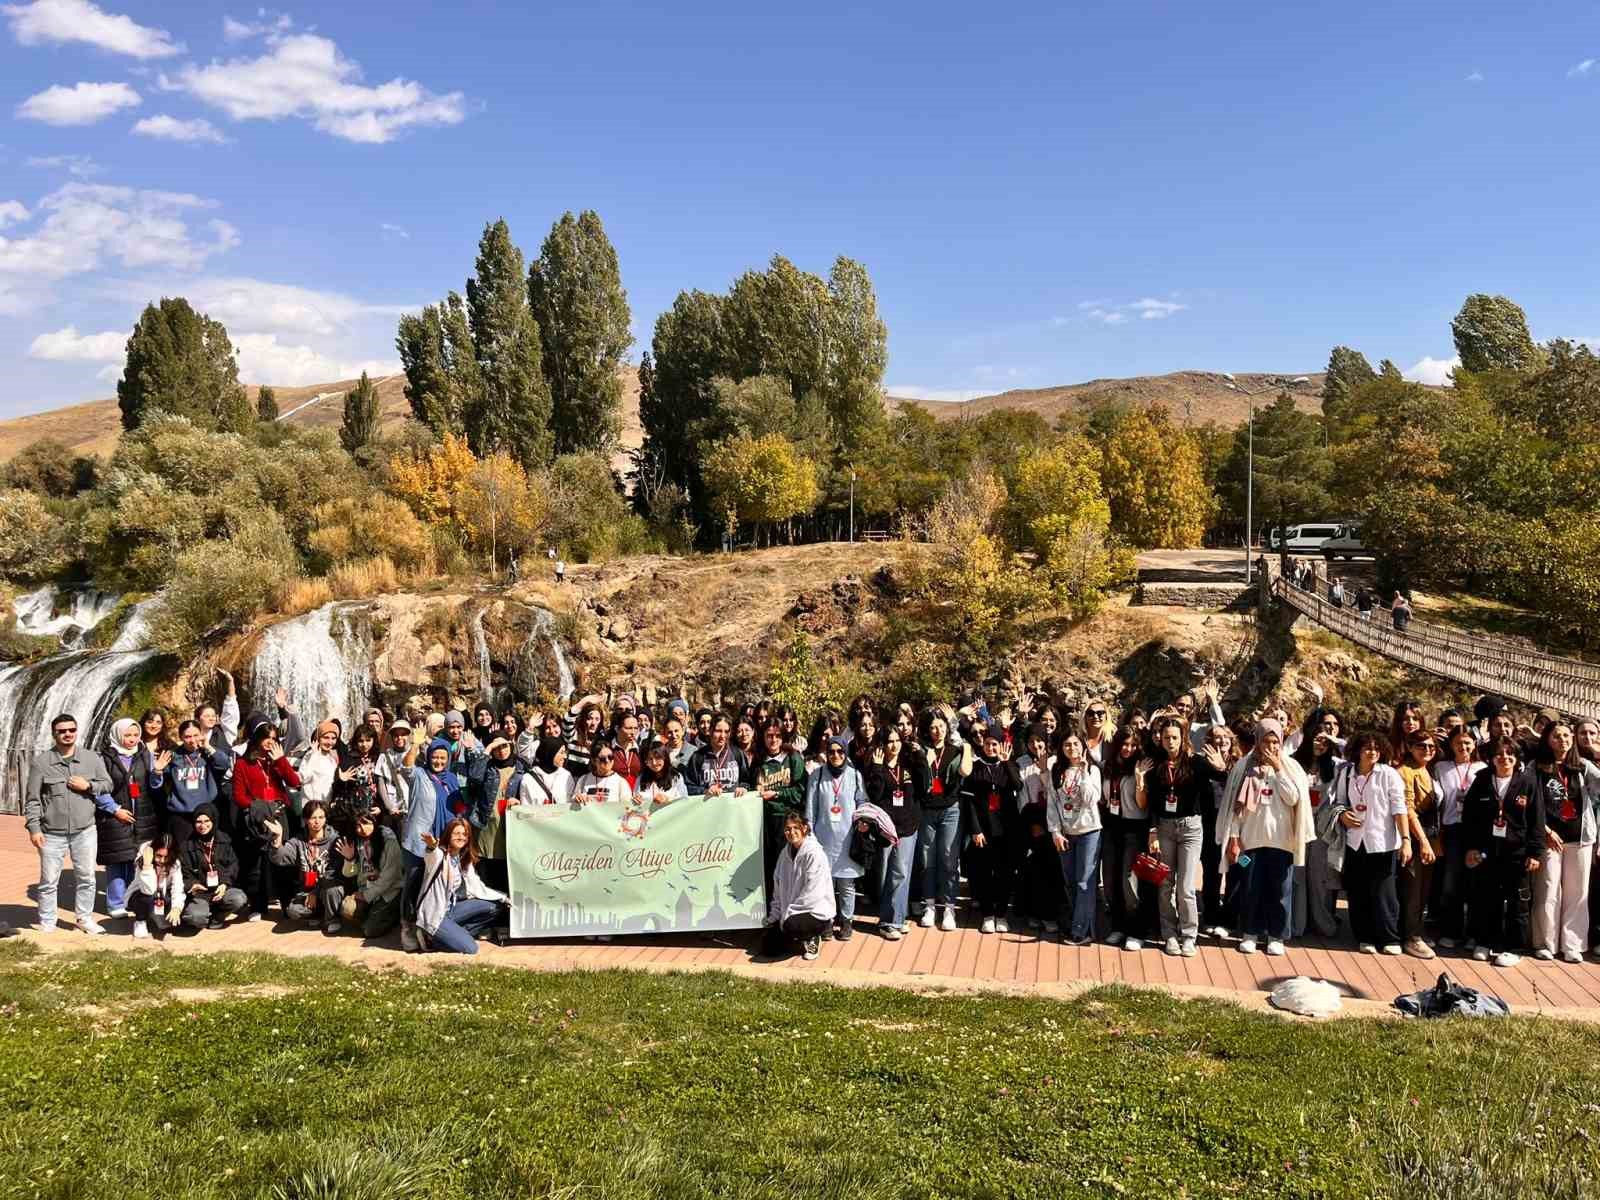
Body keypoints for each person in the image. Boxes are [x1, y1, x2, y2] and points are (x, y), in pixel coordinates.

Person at [1219, 719, 1312, 955]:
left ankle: (1276, 936)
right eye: (1266, 742)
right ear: (1258, 742)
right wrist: (1233, 837)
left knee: (1280, 891)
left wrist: (1278, 769)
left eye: (1275, 742)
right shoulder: (1243, 767)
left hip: (1282, 844)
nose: (1271, 747)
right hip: (1250, 844)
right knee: (1251, 888)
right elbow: (1234, 810)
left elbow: (1293, 799)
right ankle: (1250, 933)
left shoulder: (1291, 767)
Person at [1138, 716, 1229, 957]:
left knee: (1186, 886)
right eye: (1166, 737)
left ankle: (1189, 935)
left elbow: (1223, 779)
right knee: (1165, 883)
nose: (1170, 742)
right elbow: (1153, 803)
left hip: (1191, 828)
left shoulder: (1195, 762)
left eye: (1175, 737)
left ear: (1183, 738)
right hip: (1165, 828)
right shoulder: (1155, 764)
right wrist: (1153, 831)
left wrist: (1221, 766)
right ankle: (1169, 934)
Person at [24, 712, 115, 934]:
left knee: (86, 877)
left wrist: (88, 786)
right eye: (62, 731)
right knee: (48, 881)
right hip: (51, 833)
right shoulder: (42, 763)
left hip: (85, 830)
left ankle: (84, 918)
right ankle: (48, 921)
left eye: (71, 730)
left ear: (77, 731)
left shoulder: (91, 758)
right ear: (54, 734)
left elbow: (108, 784)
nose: (67, 734)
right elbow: (33, 800)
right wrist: (34, 828)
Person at [1461, 736, 1543, 967]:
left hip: (1517, 852)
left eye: (1509, 754)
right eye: (1499, 754)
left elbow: (1537, 820)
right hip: (1487, 851)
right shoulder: (1482, 780)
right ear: (1491, 758)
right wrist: (1471, 848)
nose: (1504, 758)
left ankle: (1514, 948)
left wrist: (1535, 853)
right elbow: (1470, 818)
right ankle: (1485, 942)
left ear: (1516, 759)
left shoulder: (1528, 782)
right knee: (1487, 898)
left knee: (1518, 901)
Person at [1331, 732, 1411, 955]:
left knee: (1385, 893)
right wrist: (1344, 815)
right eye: (1367, 747)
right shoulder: (1346, 773)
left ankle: (1389, 938)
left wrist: (1406, 840)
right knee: (1358, 892)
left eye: (1376, 747)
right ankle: (1364, 936)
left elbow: (1399, 808)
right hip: (1355, 841)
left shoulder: (1389, 774)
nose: (1372, 752)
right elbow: (1338, 803)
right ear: (1357, 750)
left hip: (1382, 842)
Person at [1529, 721, 1600, 963]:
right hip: (1549, 837)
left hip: (1579, 837)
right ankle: (1545, 942)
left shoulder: (1582, 766)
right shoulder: (1537, 767)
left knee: (1577, 892)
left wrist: (1596, 752)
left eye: (1567, 736)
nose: (1563, 740)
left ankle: (1573, 945)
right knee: (1548, 889)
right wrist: (1545, 830)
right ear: (1547, 739)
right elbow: (1529, 802)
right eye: (1556, 736)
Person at [98, 717, 169, 919]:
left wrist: (157, 771)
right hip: (116, 816)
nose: (131, 739)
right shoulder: (105, 758)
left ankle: (131, 899)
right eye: (127, 735)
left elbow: (154, 785)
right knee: (117, 861)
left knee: (136, 860)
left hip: (143, 817)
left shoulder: (143, 754)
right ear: (118, 735)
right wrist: (114, 809)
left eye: (135, 735)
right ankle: (115, 904)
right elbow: (100, 789)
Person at [231, 721, 302, 921]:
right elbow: (238, 796)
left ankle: (288, 902)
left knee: (283, 861)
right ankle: (258, 906)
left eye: (273, 738)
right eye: (266, 738)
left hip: (280, 816)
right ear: (257, 738)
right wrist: (258, 808)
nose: (270, 742)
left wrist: (281, 761)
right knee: (257, 864)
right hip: (257, 818)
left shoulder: (276, 761)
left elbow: (295, 782)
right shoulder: (243, 764)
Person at [400, 738, 467, 950]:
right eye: (435, 757)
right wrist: (415, 744)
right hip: (419, 842)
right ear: (428, 757)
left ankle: (430, 928)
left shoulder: (452, 780)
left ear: (448, 759)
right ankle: (407, 927)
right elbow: (406, 767)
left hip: (443, 843)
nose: (438, 761)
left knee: (435, 888)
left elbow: (459, 809)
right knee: (413, 883)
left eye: (442, 758)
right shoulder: (420, 775)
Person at [863, 725, 926, 939]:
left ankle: (895, 920)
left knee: (901, 873)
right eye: (890, 741)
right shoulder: (875, 765)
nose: (894, 745)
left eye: (897, 740)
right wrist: (879, 768)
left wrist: (920, 756)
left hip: (908, 826)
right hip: (886, 828)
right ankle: (888, 919)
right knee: (885, 875)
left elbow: (924, 783)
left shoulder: (907, 763)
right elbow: (875, 795)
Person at [804, 737, 866, 940]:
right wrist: (810, 836)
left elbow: (862, 803)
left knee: (846, 884)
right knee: (825, 884)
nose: (836, 755)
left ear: (846, 753)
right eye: (832, 751)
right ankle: (827, 921)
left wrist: (864, 822)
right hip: (823, 839)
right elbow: (810, 809)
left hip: (847, 838)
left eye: (840, 751)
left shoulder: (855, 775)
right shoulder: (817, 775)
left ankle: (847, 921)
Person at [1292, 708, 1346, 939]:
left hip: (1323, 829)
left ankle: (1322, 924)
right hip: (1297, 826)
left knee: (1320, 878)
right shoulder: (1294, 762)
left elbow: (1358, 754)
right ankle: (1297, 923)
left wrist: (1335, 741)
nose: (1321, 740)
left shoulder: (1336, 765)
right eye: (1318, 734)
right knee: (1298, 875)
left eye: (1327, 735)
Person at [415, 818, 507, 954]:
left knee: (494, 907)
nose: (461, 837)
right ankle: (430, 938)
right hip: (435, 914)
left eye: (464, 834)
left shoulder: (463, 859)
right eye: (456, 833)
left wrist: (503, 897)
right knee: (471, 948)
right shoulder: (440, 855)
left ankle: (453, 934)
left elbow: (477, 887)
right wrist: (432, 846)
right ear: (448, 835)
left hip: (451, 910)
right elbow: (431, 856)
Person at [962, 723, 1022, 935]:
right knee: (984, 874)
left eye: (995, 744)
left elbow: (1017, 786)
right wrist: (975, 830)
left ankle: (1001, 915)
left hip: (1006, 830)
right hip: (984, 830)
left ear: (1001, 746)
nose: (991, 748)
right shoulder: (976, 768)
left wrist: (1006, 763)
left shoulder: (1009, 766)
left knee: (1005, 874)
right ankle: (987, 915)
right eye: (988, 744)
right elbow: (968, 803)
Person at [918, 707, 972, 931]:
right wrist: (926, 760)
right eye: (933, 727)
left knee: (949, 858)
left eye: (941, 726)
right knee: (927, 859)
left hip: (951, 809)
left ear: (947, 727)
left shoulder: (955, 749)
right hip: (927, 810)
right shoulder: (921, 750)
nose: (937, 731)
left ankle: (949, 906)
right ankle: (929, 905)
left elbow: (965, 771)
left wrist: (967, 747)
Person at [1430, 725, 1483, 950]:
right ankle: (1451, 931)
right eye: (1459, 743)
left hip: (1476, 831)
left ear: (1475, 745)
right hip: (1450, 829)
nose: (1463, 747)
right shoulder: (1441, 767)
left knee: (1475, 883)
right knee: (1451, 883)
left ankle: (1474, 934)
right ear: (1451, 745)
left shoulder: (1483, 768)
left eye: (1468, 743)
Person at [1048, 732, 1103, 945]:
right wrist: (1055, 831)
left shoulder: (1093, 770)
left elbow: (1092, 799)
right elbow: (1053, 803)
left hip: (1089, 831)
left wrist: (1083, 771)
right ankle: (1078, 922)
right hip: (1066, 833)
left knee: (1084, 883)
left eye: (1075, 744)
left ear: (1083, 747)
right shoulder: (1057, 771)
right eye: (1067, 744)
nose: (1072, 748)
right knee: (1070, 882)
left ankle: (1081, 931)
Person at [764, 811, 836, 961]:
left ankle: (814, 936)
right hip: (790, 912)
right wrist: (775, 915)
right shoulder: (785, 854)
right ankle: (793, 936)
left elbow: (813, 893)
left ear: (804, 828)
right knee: (769, 948)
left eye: (795, 828)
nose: (791, 832)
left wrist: (789, 914)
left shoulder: (814, 853)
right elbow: (778, 888)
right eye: (787, 829)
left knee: (791, 926)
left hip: (814, 911)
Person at [1396, 731, 1440, 959]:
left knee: (1424, 889)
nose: (1428, 749)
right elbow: (1408, 809)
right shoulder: (1404, 772)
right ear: (1410, 747)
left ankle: (1417, 931)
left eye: (1431, 746)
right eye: (1422, 746)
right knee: (1412, 889)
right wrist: (1422, 841)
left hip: (1433, 835)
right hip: (1416, 836)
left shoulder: (1429, 769)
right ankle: (1410, 937)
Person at [327, 809, 404, 939]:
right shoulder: (359, 842)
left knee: (370, 931)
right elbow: (349, 874)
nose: (362, 828)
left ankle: (392, 916)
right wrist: (349, 859)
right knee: (347, 909)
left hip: (389, 892)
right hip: (368, 888)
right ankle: (374, 915)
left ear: (374, 821)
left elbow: (390, 877)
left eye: (365, 823)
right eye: (357, 825)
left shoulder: (388, 841)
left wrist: (366, 896)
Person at [750, 719, 807, 895]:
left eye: (777, 736)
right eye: (769, 736)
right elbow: (751, 787)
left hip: (787, 819)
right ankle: (771, 909)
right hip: (764, 820)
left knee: (789, 867)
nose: (773, 740)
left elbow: (800, 790)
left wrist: (777, 794)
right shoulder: (759, 760)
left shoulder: (793, 758)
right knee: (768, 867)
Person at [465, 736, 526, 893]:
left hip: (510, 829)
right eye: (497, 748)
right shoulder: (487, 767)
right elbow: (474, 778)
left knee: (508, 876)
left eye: (504, 746)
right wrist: (488, 749)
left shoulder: (521, 768)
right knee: (487, 878)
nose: (501, 751)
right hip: (486, 830)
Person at [267, 799, 338, 931]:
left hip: (327, 888)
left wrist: (316, 892)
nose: (317, 822)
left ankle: (332, 919)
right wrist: (278, 838)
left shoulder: (334, 840)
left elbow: (334, 871)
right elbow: (279, 858)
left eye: (321, 817)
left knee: (333, 890)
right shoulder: (298, 841)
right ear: (305, 819)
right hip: (307, 892)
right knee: (292, 911)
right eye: (313, 817)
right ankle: (317, 915)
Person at [176, 804, 248, 931]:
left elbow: (233, 865)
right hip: (199, 894)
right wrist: (192, 885)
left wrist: (224, 883)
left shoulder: (224, 840)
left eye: (206, 821)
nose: (202, 825)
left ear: (213, 821)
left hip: (220, 890)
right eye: (198, 822)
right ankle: (199, 917)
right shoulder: (186, 846)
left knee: (239, 898)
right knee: (196, 917)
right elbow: (183, 873)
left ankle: (217, 917)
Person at [164, 719, 232, 844]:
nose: (192, 740)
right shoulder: (174, 756)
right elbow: (160, 780)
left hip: (205, 813)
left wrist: (208, 746)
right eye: (187, 736)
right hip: (182, 814)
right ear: (181, 737)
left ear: (201, 734)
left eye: (196, 735)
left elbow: (225, 764)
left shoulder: (207, 752)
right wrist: (157, 770)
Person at [124, 836, 184, 940]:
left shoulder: (175, 863)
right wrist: (147, 866)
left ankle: (156, 916)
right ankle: (140, 921)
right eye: (158, 856)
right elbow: (148, 890)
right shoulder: (142, 861)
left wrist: (176, 908)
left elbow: (178, 887)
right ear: (153, 851)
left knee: (166, 924)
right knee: (148, 895)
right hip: (141, 896)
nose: (162, 860)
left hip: (162, 896)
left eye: (166, 856)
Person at [687, 715, 749, 797]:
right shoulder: (698, 756)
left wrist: (743, 787)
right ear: (711, 730)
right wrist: (705, 791)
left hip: (732, 806)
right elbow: (689, 786)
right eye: (718, 731)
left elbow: (747, 780)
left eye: (726, 731)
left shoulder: (737, 753)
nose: (722, 736)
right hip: (708, 806)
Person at [520, 736, 577, 806]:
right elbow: (525, 809)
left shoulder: (566, 776)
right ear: (550, 753)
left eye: (565, 752)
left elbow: (572, 804)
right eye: (561, 752)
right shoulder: (528, 779)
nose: (565, 756)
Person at [636, 741, 688, 805]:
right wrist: (638, 801)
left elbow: (684, 801)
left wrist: (667, 800)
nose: (654, 763)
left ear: (665, 757)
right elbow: (636, 797)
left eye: (658, 758)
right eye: (650, 759)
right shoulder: (641, 778)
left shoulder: (676, 777)